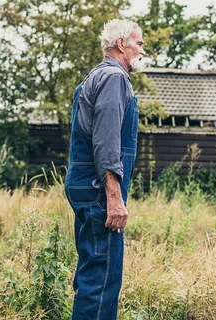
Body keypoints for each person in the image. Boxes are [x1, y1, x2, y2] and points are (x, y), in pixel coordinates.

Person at [64, 19, 146, 319]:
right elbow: (106, 140)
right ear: (121, 44)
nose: (142, 50)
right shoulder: (114, 78)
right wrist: (113, 196)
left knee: (93, 270)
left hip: (84, 183)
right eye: (139, 43)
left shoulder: (93, 77)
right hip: (100, 190)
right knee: (102, 278)